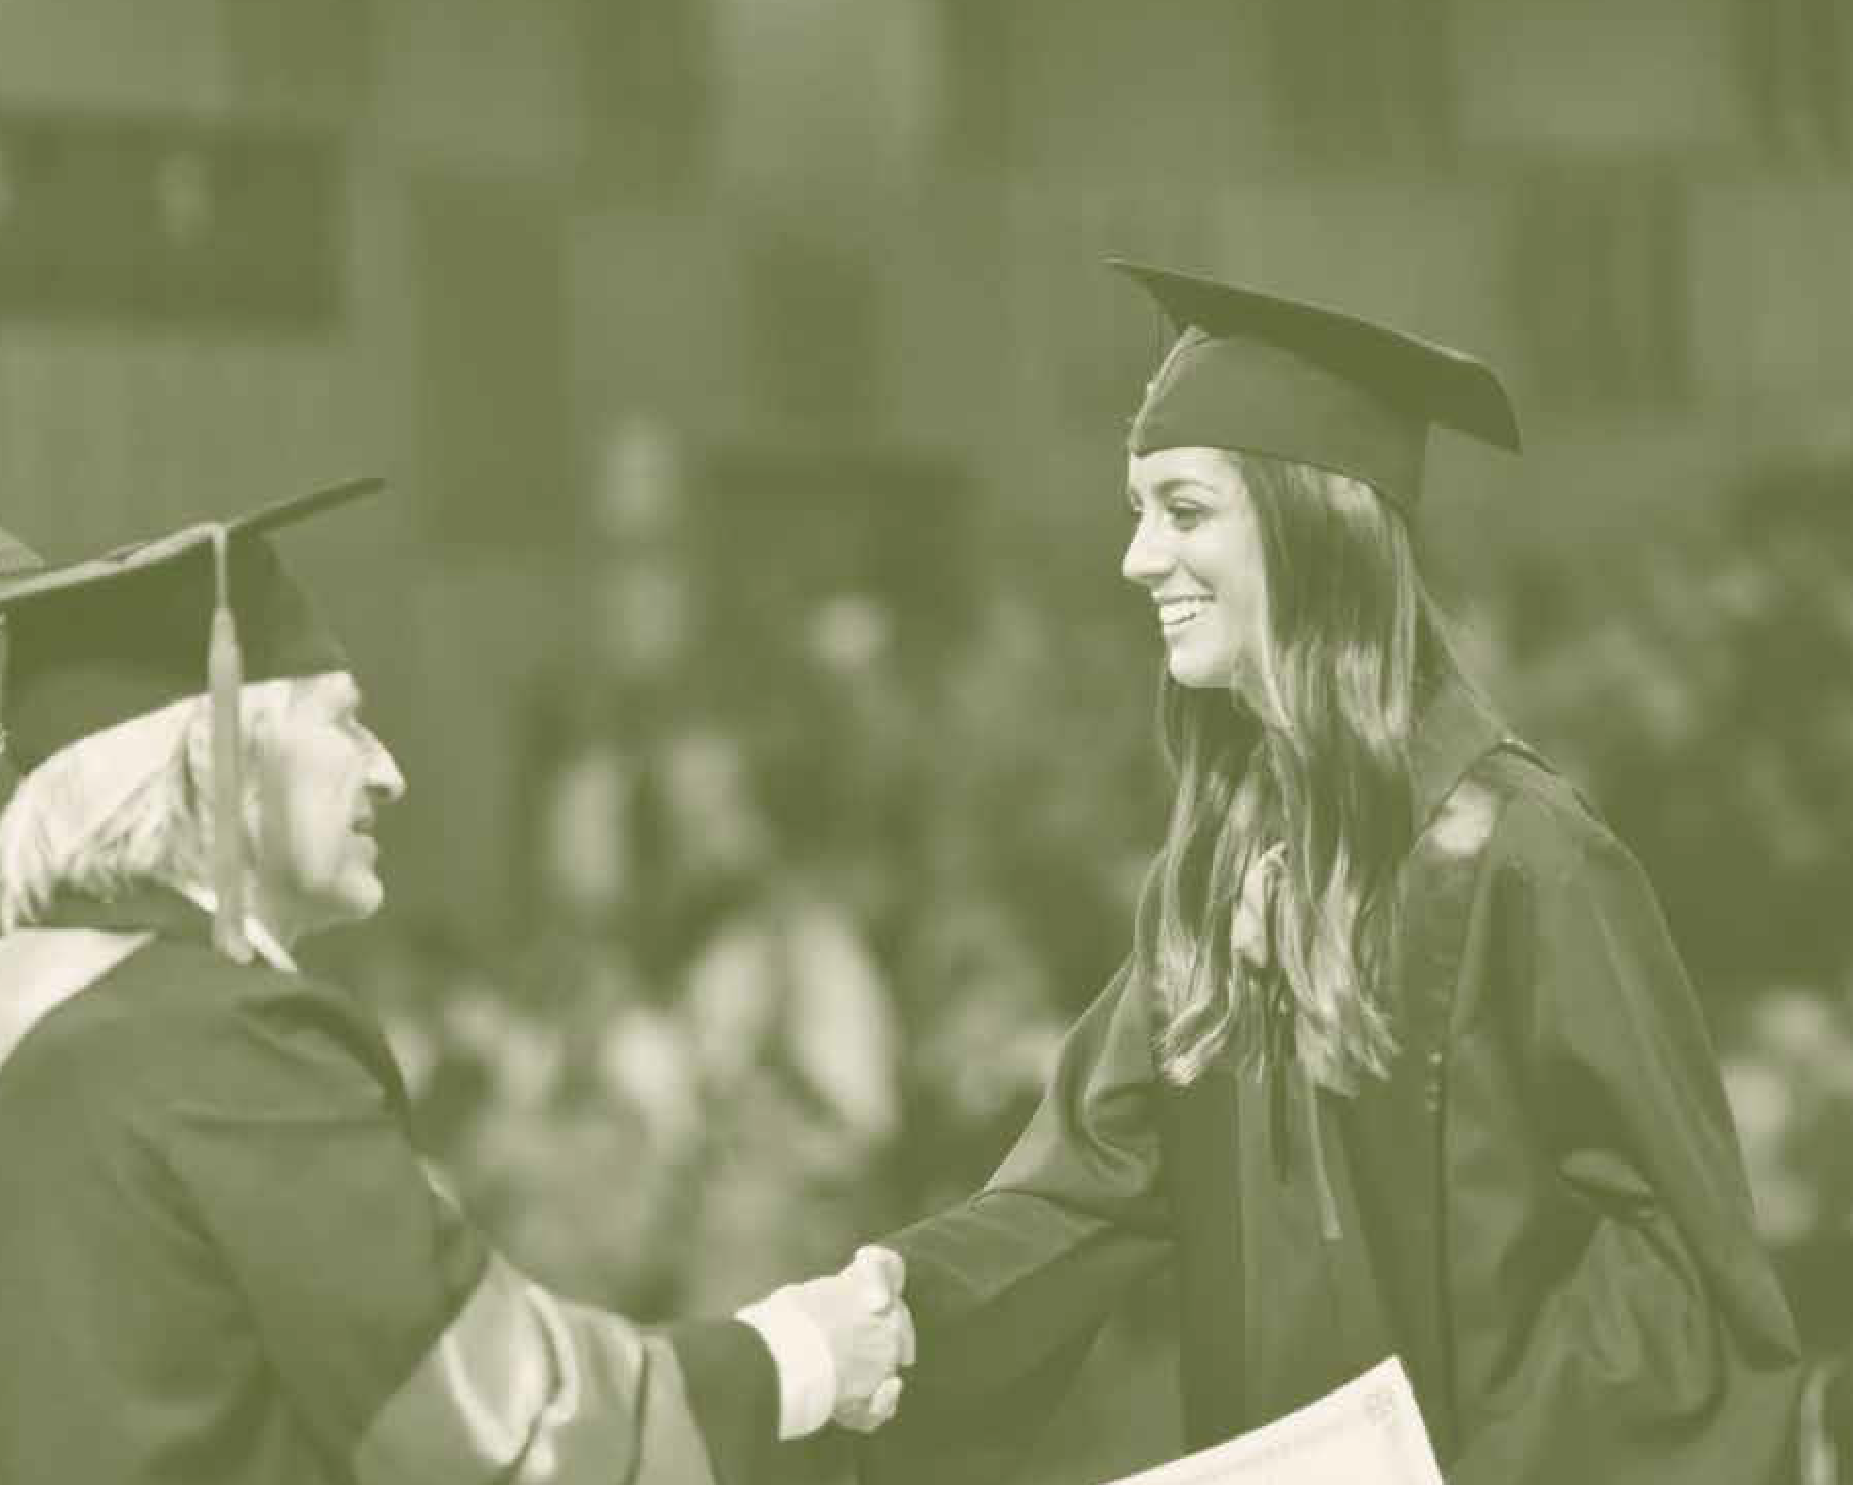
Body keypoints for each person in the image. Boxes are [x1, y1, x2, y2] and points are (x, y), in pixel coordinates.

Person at [855, 262, 1812, 1484]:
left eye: (1183, 510)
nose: (1136, 558)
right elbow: (1081, 1195)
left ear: (1314, 526)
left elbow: (1682, 1290)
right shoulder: (1214, 879)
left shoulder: (1524, 861)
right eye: (1138, 510)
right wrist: (878, 1312)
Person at [0, 480, 913, 1485]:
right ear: (224, 762)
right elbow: (498, 1426)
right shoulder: (217, 1045)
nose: (386, 770)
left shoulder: (50, 1014)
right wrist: (796, 1355)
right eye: (343, 722)